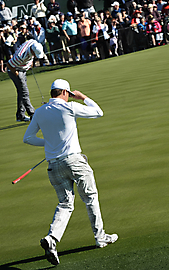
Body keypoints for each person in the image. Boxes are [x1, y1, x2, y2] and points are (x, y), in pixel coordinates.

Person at [23, 78, 118, 266]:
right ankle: (100, 238)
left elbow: (28, 138)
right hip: (74, 161)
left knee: (65, 204)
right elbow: (98, 112)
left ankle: (52, 239)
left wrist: (48, 143)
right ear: (65, 92)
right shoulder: (70, 106)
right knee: (90, 197)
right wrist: (83, 97)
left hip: (54, 165)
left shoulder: (40, 111)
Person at [7, 39, 45, 122]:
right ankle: (32, 114)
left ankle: (20, 115)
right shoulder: (21, 56)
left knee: (21, 92)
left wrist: (28, 64)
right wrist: (17, 75)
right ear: (32, 50)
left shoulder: (34, 43)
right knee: (24, 92)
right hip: (15, 70)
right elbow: (9, 64)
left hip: (22, 68)